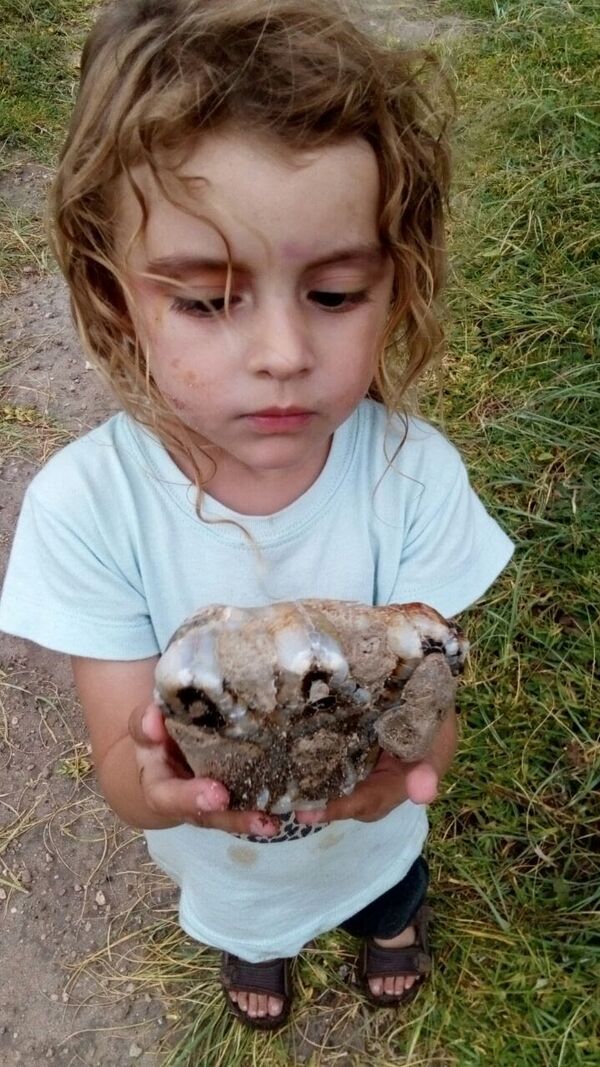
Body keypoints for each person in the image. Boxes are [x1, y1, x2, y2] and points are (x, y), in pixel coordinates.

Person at [0, 0, 514, 1031]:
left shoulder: (412, 476)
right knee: (250, 917)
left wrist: (405, 774)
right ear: (113, 296)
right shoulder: (86, 510)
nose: (282, 351)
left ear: (393, 282)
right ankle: (261, 947)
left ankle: (391, 924)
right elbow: (123, 769)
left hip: (372, 833)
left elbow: (432, 714)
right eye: (206, 299)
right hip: (217, 846)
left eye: (333, 294)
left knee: (386, 886)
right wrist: (157, 783)